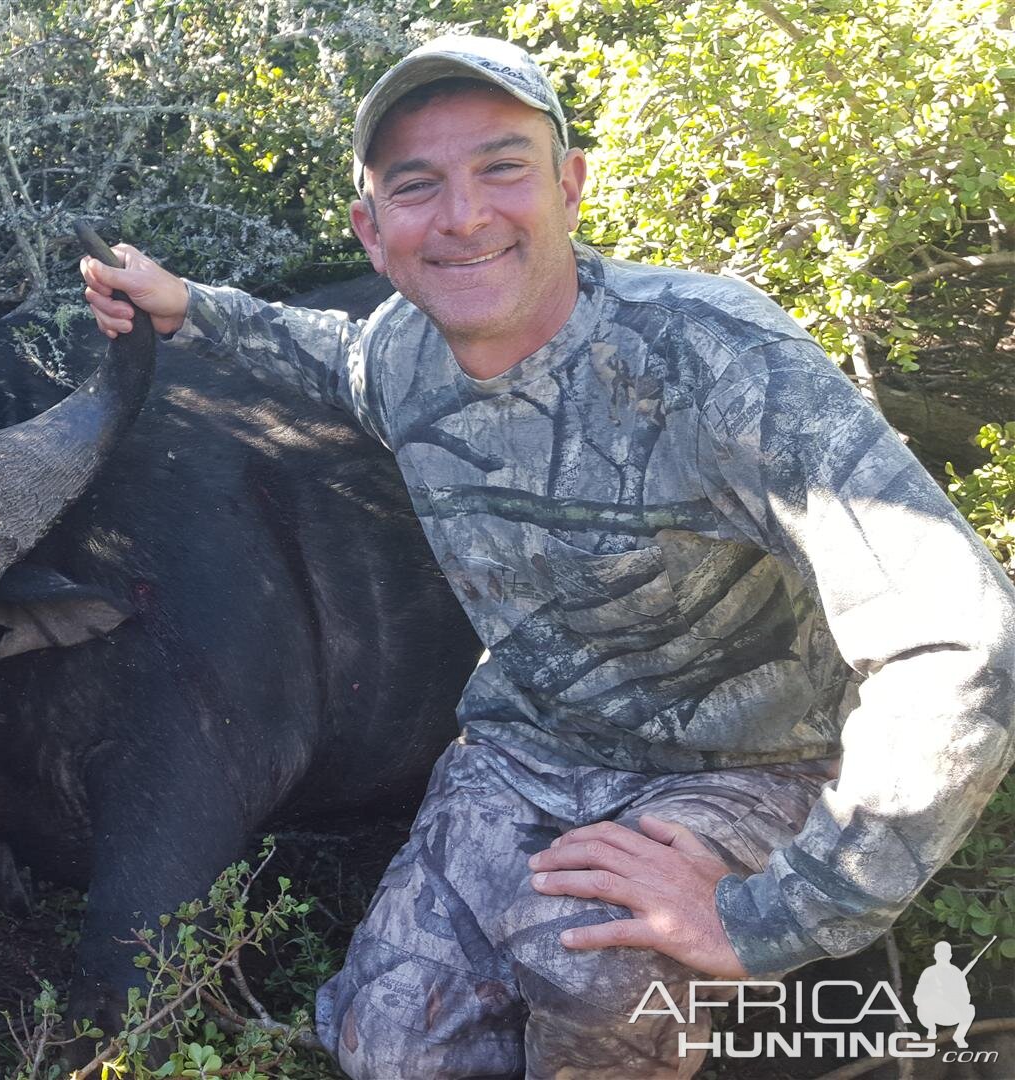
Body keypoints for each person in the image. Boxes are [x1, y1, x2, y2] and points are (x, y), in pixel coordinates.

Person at [82, 34, 1015, 1079]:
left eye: (502, 167)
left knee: (600, 980)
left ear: (571, 184)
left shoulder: (716, 360)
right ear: (373, 230)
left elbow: (963, 642)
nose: (466, 214)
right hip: (526, 756)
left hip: (748, 765)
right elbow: (325, 355)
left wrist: (775, 915)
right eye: (418, 185)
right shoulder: (401, 353)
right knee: (388, 1045)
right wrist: (186, 307)